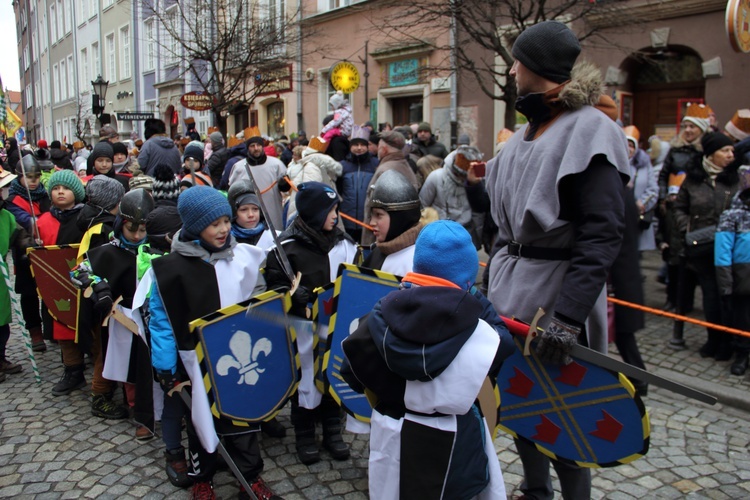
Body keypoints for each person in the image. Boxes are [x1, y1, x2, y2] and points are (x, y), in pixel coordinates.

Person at [485, 21, 630, 500]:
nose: (510, 68)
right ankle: (534, 491)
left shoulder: (591, 130)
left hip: (557, 298)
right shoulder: (524, 132)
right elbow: (499, 229)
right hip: (510, 291)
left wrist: (567, 318)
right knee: (521, 406)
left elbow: (602, 233)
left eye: (517, 60)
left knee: (567, 419)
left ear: (538, 68)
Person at [341, 220, 511, 499]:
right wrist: (475, 300)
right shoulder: (481, 333)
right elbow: (502, 346)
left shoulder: (377, 317)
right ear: (467, 278)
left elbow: (353, 374)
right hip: (456, 438)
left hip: (393, 433)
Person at [148, 186, 281, 499]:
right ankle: (201, 478)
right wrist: (165, 365)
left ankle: (250, 476)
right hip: (196, 361)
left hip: (240, 359)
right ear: (195, 227)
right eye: (214, 224)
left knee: (245, 418)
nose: (223, 229)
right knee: (200, 423)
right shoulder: (170, 271)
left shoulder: (245, 259)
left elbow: (260, 304)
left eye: (225, 220)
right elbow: (162, 320)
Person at [264, 182, 359, 466]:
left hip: (334, 329)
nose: (336, 215)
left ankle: (332, 431)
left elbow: (356, 279)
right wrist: (292, 294)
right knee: (306, 382)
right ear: (314, 213)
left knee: (333, 375)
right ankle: (305, 434)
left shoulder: (344, 244)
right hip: (303, 331)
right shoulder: (287, 249)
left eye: (337, 209)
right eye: (330, 210)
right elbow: (274, 286)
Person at [71, 188, 159, 437]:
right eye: (133, 229)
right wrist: (97, 284)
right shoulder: (108, 249)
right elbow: (78, 271)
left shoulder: (155, 248)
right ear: (121, 224)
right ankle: (135, 408)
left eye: (143, 229)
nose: (138, 235)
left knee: (157, 365)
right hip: (123, 319)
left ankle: (158, 409)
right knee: (127, 365)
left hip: (154, 317)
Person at [674, 132, 740, 360]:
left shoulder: (736, 179)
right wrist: (687, 228)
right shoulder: (693, 178)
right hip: (701, 248)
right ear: (711, 154)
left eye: (732, 151)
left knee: (729, 297)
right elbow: (679, 207)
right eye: (725, 151)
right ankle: (714, 339)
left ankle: (730, 342)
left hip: (731, 250)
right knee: (711, 298)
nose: (731, 155)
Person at [35, 170, 88, 396]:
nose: (60, 192)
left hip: (83, 281)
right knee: (63, 327)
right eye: (56, 189)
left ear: (75, 192)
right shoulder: (44, 220)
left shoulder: (86, 217)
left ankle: (100, 374)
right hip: (57, 285)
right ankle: (73, 370)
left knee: (90, 326)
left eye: (65, 188)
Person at [5, 155, 50, 351]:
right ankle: (35, 332)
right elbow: (21, 218)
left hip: (46, 249)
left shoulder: (45, 195)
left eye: (36, 177)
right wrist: (37, 223)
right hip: (25, 251)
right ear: (19, 177)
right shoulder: (12, 199)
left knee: (50, 291)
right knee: (29, 293)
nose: (33, 181)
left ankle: (51, 328)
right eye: (29, 177)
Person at [716, 167, 750, 375]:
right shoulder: (732, 215)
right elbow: (722, 253)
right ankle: (743, 353)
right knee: (743, 319)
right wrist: (726, 285)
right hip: (743, 278)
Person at [362, 170, 426, 276]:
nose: (372, 223)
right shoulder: (378, 252)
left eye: (378, 215)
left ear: (399, 218)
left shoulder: (418, 262)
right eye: (372, 215)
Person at [362, 131, 419, 246]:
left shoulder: (385, 170)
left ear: (384, 149)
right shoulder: (405, 166)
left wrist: (369, 239)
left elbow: (373, 206)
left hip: (383, 238)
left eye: (379, 147)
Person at [0, 165, 29, 380]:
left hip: (0, 278)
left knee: (2, 324)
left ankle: (0, 357)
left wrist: (28, 243)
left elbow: (17, 235)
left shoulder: (6, 216)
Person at [227, 135, 287, 230]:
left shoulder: (276, 165)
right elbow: (232, 193)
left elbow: (286, 190)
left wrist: (284, 184)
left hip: (273, 210)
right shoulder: (239, 167)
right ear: (248, 148)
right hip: (248, 214)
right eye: (252, 146)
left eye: (258, 145)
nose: (256, 148)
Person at [338, 126, 380, 243]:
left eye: (362, 145)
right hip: (347, 218)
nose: (359, 148)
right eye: (355, 145)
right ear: (350, 146)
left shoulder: (375, 164)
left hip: (368, 218)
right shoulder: (342, 165)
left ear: (367, 146)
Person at [624, 126, 658, 252]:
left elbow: (653, 189)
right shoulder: (614, 163)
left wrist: (642, 204)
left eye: (631, 145)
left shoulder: (644, 164)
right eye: (626, 144)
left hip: (639, 218)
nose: (629, 148)